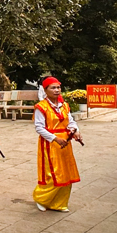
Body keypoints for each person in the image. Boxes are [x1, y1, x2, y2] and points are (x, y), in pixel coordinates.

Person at [33, 77, 81, 212]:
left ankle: (59, 203)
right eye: (52, 88)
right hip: (49, 144)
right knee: (52, 173)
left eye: (58, 87)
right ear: (45, 90)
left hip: (65, 143)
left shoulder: (64, 105)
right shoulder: (41, 107)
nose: (56, 90)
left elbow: (70, 121)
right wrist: (55, 138)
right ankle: (42, 199)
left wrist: (76, 131)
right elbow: (39, 127)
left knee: (66, 172)